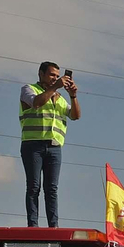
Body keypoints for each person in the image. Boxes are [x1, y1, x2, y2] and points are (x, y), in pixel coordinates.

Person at [19, 61, 80, 228]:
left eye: (57, 75)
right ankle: (33, 225)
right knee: (33, 186)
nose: (55, 78)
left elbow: (75, 115)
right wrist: (54, 88)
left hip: (54, 147)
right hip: (33, 145)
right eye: (52, 75)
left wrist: (73, 96)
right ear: (41, 74)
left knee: (51, 189)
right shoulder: (28, 89)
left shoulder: (59, 98)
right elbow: (36, 103)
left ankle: (54, 226)